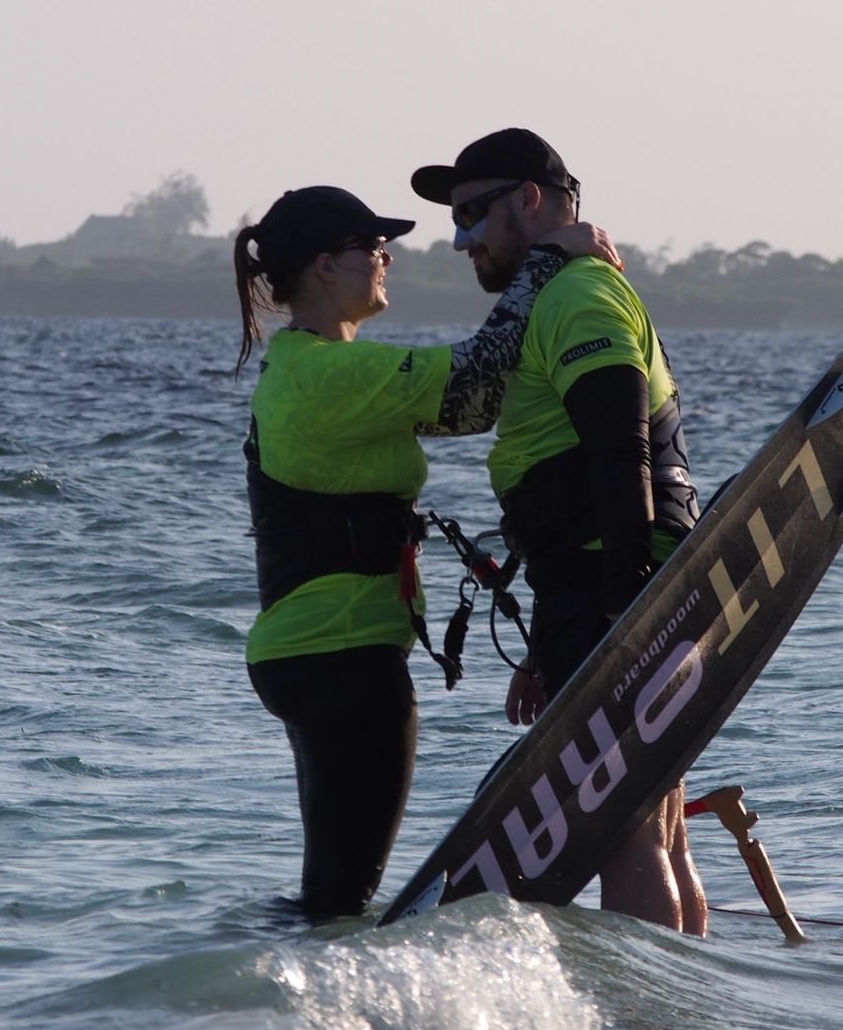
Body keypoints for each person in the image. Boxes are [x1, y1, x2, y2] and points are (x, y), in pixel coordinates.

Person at [234, 182, 617, 920]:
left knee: (328, 896)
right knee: (339, 905)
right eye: (373, 247)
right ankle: (304, 987)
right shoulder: (326, 374)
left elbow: (474, 403)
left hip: (311, 651)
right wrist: (546, 260)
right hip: (344, 658)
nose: (387, 259)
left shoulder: (307, 369)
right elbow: (479, 373)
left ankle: (277, 981)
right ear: (324, 265)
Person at [410, 129, 708, 934]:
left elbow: (620, 452)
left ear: (529, 200)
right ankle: (680, 1005)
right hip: (602, 581)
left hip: (614, 584)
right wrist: (547, 647)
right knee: (659, 824)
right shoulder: (559, 292)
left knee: (623, 832)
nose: (461, 240)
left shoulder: (577, 294)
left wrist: (623, 616)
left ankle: (642, 1011)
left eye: (471, 215)